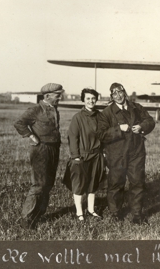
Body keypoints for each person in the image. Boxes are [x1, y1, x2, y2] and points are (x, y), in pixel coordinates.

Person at [97, 83, 155, 225]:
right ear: (111, 97)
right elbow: (101, 134)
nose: (118, 96)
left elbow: (150, 121)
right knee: (116, 184)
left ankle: (137, 215)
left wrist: (142, 126)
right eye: (114, 94)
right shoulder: (106, 113)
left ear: (124, 92)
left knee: (137, 183)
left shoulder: (136, 108)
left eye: (120, 92)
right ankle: (115, 213)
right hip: (117, 155)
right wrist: (118, 129)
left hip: (136, 153)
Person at [14, 83, 64, 229]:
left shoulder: (54, 109)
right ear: (47, 96)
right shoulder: (36, 109)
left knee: (48, 183)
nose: (60, 98)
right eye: (57, 95)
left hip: (53, 149)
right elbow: (19, 123)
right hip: (41, 150)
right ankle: (26, 219)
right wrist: (30, 135)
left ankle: (39, 214)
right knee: (39, 184)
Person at [67, 88, 105, 222]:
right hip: (82, 156)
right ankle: (79, 212)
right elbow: (73, 137)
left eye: (93, 98)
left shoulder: (100, 116)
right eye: (88, 98)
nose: (91, 101)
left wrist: (104, 152)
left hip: (97, 156)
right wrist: (75, 156)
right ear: (83, 100)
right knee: (79, 184)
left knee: (93, 184)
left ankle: (91, 210)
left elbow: (105, 136)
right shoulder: (78, 117)